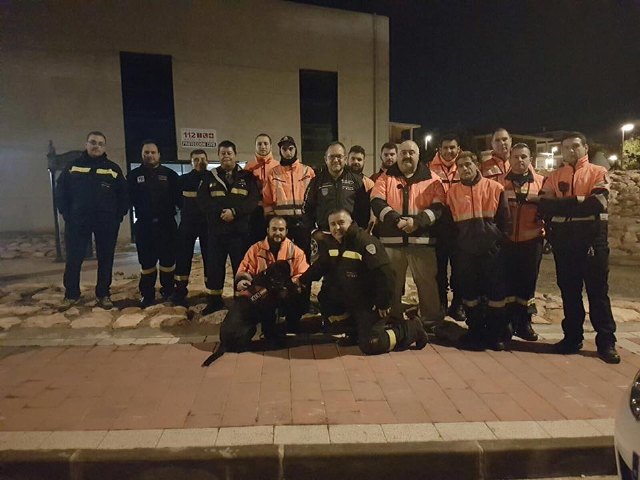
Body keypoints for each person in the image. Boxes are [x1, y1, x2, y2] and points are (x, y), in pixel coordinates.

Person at [298, 209, 428, 355]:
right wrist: (302, 281)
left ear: (351, 222)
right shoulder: (331, 243)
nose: (337, 228)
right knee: (330, 312)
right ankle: (354, 333)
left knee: (372, 344)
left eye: (341, 223)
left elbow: (386, 275)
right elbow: (320, 266)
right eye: (333, 224)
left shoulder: (365, 243)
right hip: (352, 301)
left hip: (371, 303)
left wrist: (383, 303)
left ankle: (410, 329)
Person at [538, 132, 619, 364]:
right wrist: (579, 200)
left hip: (592, 242)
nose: (570, 151)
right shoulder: (555, 176)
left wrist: (562, 204)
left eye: (575, 146)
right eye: (566, 147)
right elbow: (544, 205)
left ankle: (606, 342)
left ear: (585, 148)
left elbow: (597, 203)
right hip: (564, 242)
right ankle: (572, 338)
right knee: (569, 292)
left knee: (598, 293)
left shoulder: (598, 172)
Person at [370, 140, 446, 330]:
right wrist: (397, 220)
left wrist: (417, 222)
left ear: (418, 155)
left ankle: (430, 320)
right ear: (398, 155)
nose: (407, 156)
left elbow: (438, 208)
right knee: (392, 283)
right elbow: (377, 202)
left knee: (427, 283)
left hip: (422, 241)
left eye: (411, 152)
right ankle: (394, 319)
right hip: (391, 242)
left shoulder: (433, 179)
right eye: (403, 152)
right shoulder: (385, 178)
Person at [447, 151, 512, 351]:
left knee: (496, 294)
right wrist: (458, 247)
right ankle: (475, 331)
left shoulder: (495, 188)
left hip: (492, 251)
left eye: (468, 164)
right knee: (470, 294)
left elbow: (505, 221)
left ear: (476, 165)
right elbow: (450, 226)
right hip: (466, 252)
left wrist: (498, 242)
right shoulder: (452, 192)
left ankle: (494, 335)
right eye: (461, 166)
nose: (464, 169)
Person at [56, 131, 128, 310]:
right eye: (93, 142)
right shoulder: (73, 167)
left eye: (100, 143)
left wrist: (118, 216)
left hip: (106, 222)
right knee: (74, 258)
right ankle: (71, 294)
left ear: (104, 147)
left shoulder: (113, 169)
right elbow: (61, 191)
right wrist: (66, 213)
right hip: (77, 221)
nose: (96, 146)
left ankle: (103, 294)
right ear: (86, 144)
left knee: (106, 258)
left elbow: (124, 194)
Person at [219, 216, 309, 352]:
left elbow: (303, 273)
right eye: (274, 229)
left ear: (286, 231)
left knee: (298, 295)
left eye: (281, 229)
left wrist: (291, 285)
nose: (277, 233)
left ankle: (291, 324)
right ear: (268, 230)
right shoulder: (255, 249)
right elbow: (244, 270)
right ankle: (265, 331)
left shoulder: (295, 251)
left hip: (285, 292)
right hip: (263, 295)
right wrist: (243, 281)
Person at [197, 140, 259, 314]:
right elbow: (202, 200)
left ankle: (241, 301)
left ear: (235, 155)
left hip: (239, 233)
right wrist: (220, 213)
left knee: (241, 268)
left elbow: (252, 201)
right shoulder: (209, 177)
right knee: (214, 267)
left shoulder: (247, 177)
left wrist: (234, 212)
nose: (226, 156)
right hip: (217, 232)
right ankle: (214, 301)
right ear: (218, 156)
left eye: (229, 153)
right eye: (223, 153)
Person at [127, 140, 180, 307]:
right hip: (144, 226)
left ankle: (168, 290)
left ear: (159, 154)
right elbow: (125, 200)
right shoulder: (133, 176)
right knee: (147, 263)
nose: (150, 155)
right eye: (146, 152)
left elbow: (180, 200)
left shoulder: (170, 175)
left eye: (153, 152)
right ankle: (147, 294)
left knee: (168, 262)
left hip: (166, 225)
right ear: (142, 155)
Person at [502, 143, 544, 341]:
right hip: (507, 241)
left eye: (523, 157)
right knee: (507, 282)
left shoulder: (542, 183)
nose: (520, 160)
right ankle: (507, 322)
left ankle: (524, 323)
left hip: (532, 241)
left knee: (528, 283)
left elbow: (548, 210)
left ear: (530, 160)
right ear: (509, 159)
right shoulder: (500, 183)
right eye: (516, 157)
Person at [429, 133, 465, 322]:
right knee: (439, 268)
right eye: (445, 148)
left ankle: (458, 304)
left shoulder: (465, 166)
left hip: (460, 225)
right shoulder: (430, 169)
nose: (449, 151)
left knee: (460, 268)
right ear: (439, 149)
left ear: (458, 149)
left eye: (453, 147)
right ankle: (441, 303)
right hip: (439, 225)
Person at [263, 135, 315, 261]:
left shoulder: (307, 171)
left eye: (291, 148)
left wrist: (311, 220)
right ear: (280, 151)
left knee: (303, 258)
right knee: (282, 258)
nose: (288, 152)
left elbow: (315, 198)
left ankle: (303, 275)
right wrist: (272, 221)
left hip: (303, 223)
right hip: (282, 225)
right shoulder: (273, 173)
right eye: (284, 149)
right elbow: (267, 200)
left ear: (296, 149)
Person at [304, 141, 370, 233]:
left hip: (350, 234)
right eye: (331, 157)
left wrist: (359, 230)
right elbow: (307, 209)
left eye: (339, 156)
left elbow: (364, 208)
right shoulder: (317, 181)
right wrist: (313, 231)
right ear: (325, 159)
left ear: (345, 159)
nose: (335, 160)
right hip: (325, 234)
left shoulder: (356, 180)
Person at [172, 149, 210, 307]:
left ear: (207, 161)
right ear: (191, 162)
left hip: (208, 225)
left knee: (210, 258)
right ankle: (180, 292)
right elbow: (176, 199)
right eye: (196, 159)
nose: (200, 162)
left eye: (203, 159)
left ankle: (212, 293)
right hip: (188, 224)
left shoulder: (212, 179)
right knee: (183, 257)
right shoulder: (183, 180)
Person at [245, 133, 279, 245]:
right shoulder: (248, 167)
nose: (263, 146)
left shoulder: (278, 167)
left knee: (274, 245)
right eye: (259, 144)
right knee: (256, 245)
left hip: (274, 212)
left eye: (265, 143)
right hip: (254, 213)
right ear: (255, 146)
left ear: (271, 146)